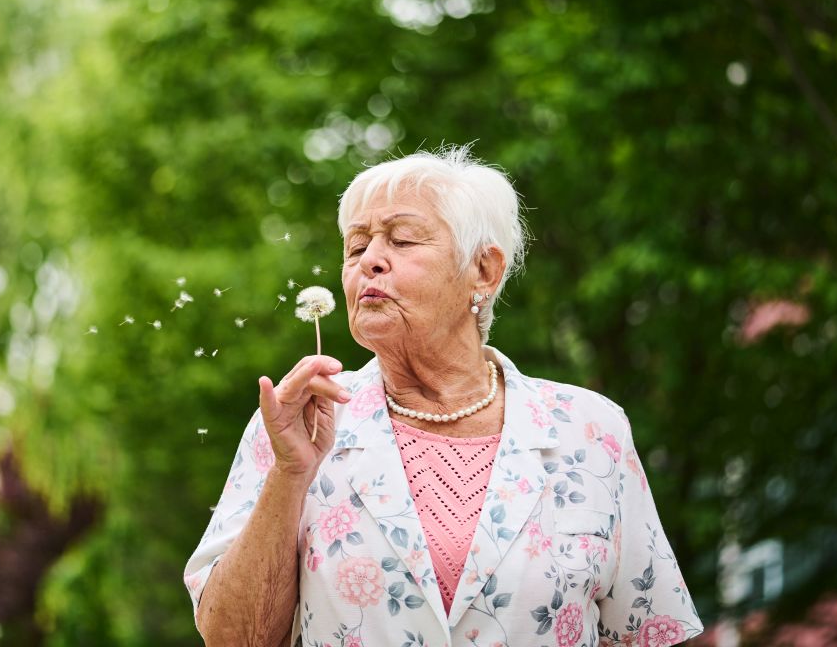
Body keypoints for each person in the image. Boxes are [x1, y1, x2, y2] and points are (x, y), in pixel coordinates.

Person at [184, 146, 703, 647]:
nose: (370, 261)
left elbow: (647, 632)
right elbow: (234, 639)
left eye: (403, 240)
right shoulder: (295, 427)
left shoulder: (590, 431)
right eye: (356, 247)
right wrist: (291, 473)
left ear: (484, 271)